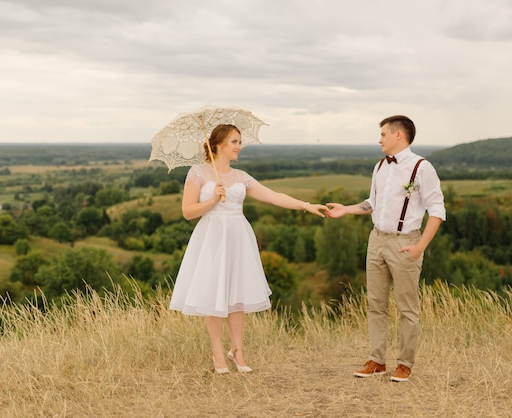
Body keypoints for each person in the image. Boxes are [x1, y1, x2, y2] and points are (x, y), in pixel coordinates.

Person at [169, 124, 328, 374]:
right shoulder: (197, 172)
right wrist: (212, 199)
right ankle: (218, 352)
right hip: (211, 238)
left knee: (237, 296)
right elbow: (187, 212)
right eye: (234, 141)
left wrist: (307, 206)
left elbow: (274, 196)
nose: (239, 146)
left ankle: (237, 350)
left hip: (238, 237)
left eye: (239, 141)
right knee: (214, 295)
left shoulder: (241, 177)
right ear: (218, 144)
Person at [326, 115, 446, 382]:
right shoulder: (380, 166)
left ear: (398, 135)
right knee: (376, 304)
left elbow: (437, 210)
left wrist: (419, 246)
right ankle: (377, 360)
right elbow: (373, 202)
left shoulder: (422, 168)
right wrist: (346, 210)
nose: (379, 139)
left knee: (407, 308)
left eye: (383, 134)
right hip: (376, 240)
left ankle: (405, 363)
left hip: (406, 243)